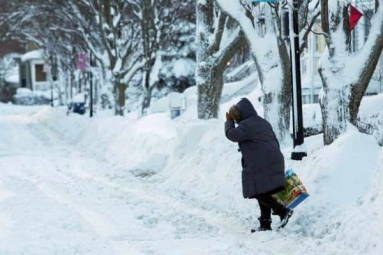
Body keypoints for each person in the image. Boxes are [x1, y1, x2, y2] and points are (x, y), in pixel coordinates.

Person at [224, 98, 293, 231]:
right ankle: (265, 223)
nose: (236, 121)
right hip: (274, 159)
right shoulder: (262, 122)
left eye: (236, 118)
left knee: (256, 191)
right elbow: (274, 140)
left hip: (263, 162)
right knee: (263, 190)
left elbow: (231, 135)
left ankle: (282, 211)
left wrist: (228, 121)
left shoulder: (246, 125)